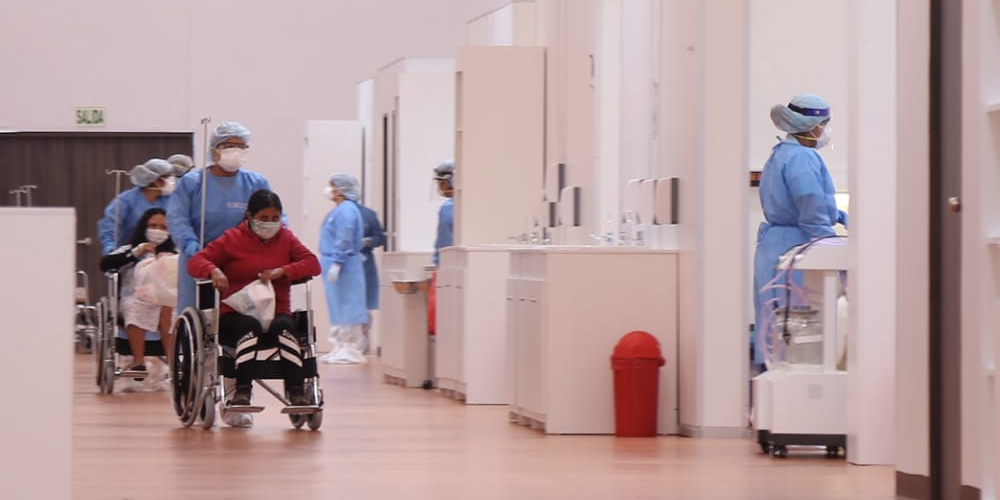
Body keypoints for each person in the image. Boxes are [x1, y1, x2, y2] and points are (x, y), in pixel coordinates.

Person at [187, 190, 320, 428]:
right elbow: (195, 261)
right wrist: (214, 270)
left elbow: (313, 264)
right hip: (236, 313)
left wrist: (283, 271)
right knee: (250, 326)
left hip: (275, 311)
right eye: (264, 218)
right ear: (249, 216)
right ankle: (242, 391)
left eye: (275, 218)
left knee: (285, 327)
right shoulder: (231, 238)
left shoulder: (286, 238)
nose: (270, 223)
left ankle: (297, 392)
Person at [753, 93, 847, 369]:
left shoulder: (781, 153)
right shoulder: (802, 158)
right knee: (797, 326)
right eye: (825, 124)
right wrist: (829, 242)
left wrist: (841, 216)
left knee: (774, 324)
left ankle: (772, 377)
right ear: (811, 125)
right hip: (796, 248)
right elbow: (809, 201)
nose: (826, 130)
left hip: (774, 247)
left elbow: (810, 202)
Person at [167, 121, 276, 313]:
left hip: (240, 259)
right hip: (199, 256)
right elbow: (178, 219)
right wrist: (194, 249)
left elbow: (273, 217)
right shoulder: (193, 183)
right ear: (215, 149)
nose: (236, 151)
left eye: (241, 146)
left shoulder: (256, 183)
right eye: (229, 146)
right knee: (198, 313)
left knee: (240, 314)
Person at [99, 207, 177, 392]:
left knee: (167, 309)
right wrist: (136, 252)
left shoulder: (175, 253)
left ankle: (173, 363)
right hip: (134, 297)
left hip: (164, 299)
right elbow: (106, 264)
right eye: (153, 225)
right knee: (133, 307)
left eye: (163, 227)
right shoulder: (130, 249)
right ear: (144, 226)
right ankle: (138, 362)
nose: (158, 230)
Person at [319, 174, 368, 364]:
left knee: (348, 306)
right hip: (335, 262)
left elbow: (345, 238)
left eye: (332, 186)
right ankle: (340, 346)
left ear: (341, 190)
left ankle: (351, 349)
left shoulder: (346, 210)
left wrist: (337, 262)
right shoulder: (339, 210)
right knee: (338, 306)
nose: (329, 190)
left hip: (344, 265)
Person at [98, 158, 175, 255]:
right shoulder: (126, 201)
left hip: (162, 256)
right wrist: (111, 252)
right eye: (168, 177)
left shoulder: (169, 201)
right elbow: (109, 227)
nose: (172, 181)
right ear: (156, 180)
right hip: (129, 255)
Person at [349, 187, 385, 352]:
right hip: (344, 264)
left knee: (363, 305)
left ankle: (363, 339)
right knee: (347, 304)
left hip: (364, 263)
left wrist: (368, 241)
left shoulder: (368, 214)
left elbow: (381, 237)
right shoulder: (337, 215)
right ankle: (347, 342)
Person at [432, 160, 454, 266]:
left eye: (442, 183)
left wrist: (437, 261)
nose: (440, 187)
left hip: (450, 265)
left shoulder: (447, 208)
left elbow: (444, 246)